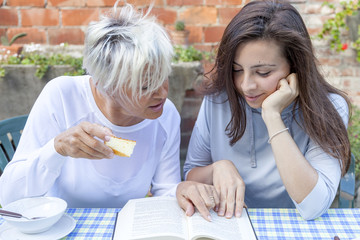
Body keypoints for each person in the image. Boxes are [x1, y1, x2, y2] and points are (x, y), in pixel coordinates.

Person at [176, 0, 351, 221]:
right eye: (237, 70)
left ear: (295, 66)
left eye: (263, 72)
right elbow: (191, 174)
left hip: (294, 228)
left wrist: (272, 116)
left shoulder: (330, 108)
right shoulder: (218, 100)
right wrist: (217, 168)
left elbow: (313, 206)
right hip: (230, 226)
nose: (246, 85)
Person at [0, 2, 181, 208]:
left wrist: (183, 191)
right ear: (105, 83)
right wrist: (56, 149)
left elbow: (166, 190)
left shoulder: (166, 115)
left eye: (164, 77)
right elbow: (8, 196)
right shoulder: (61, 96)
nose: (162, 93)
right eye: (146, 85)